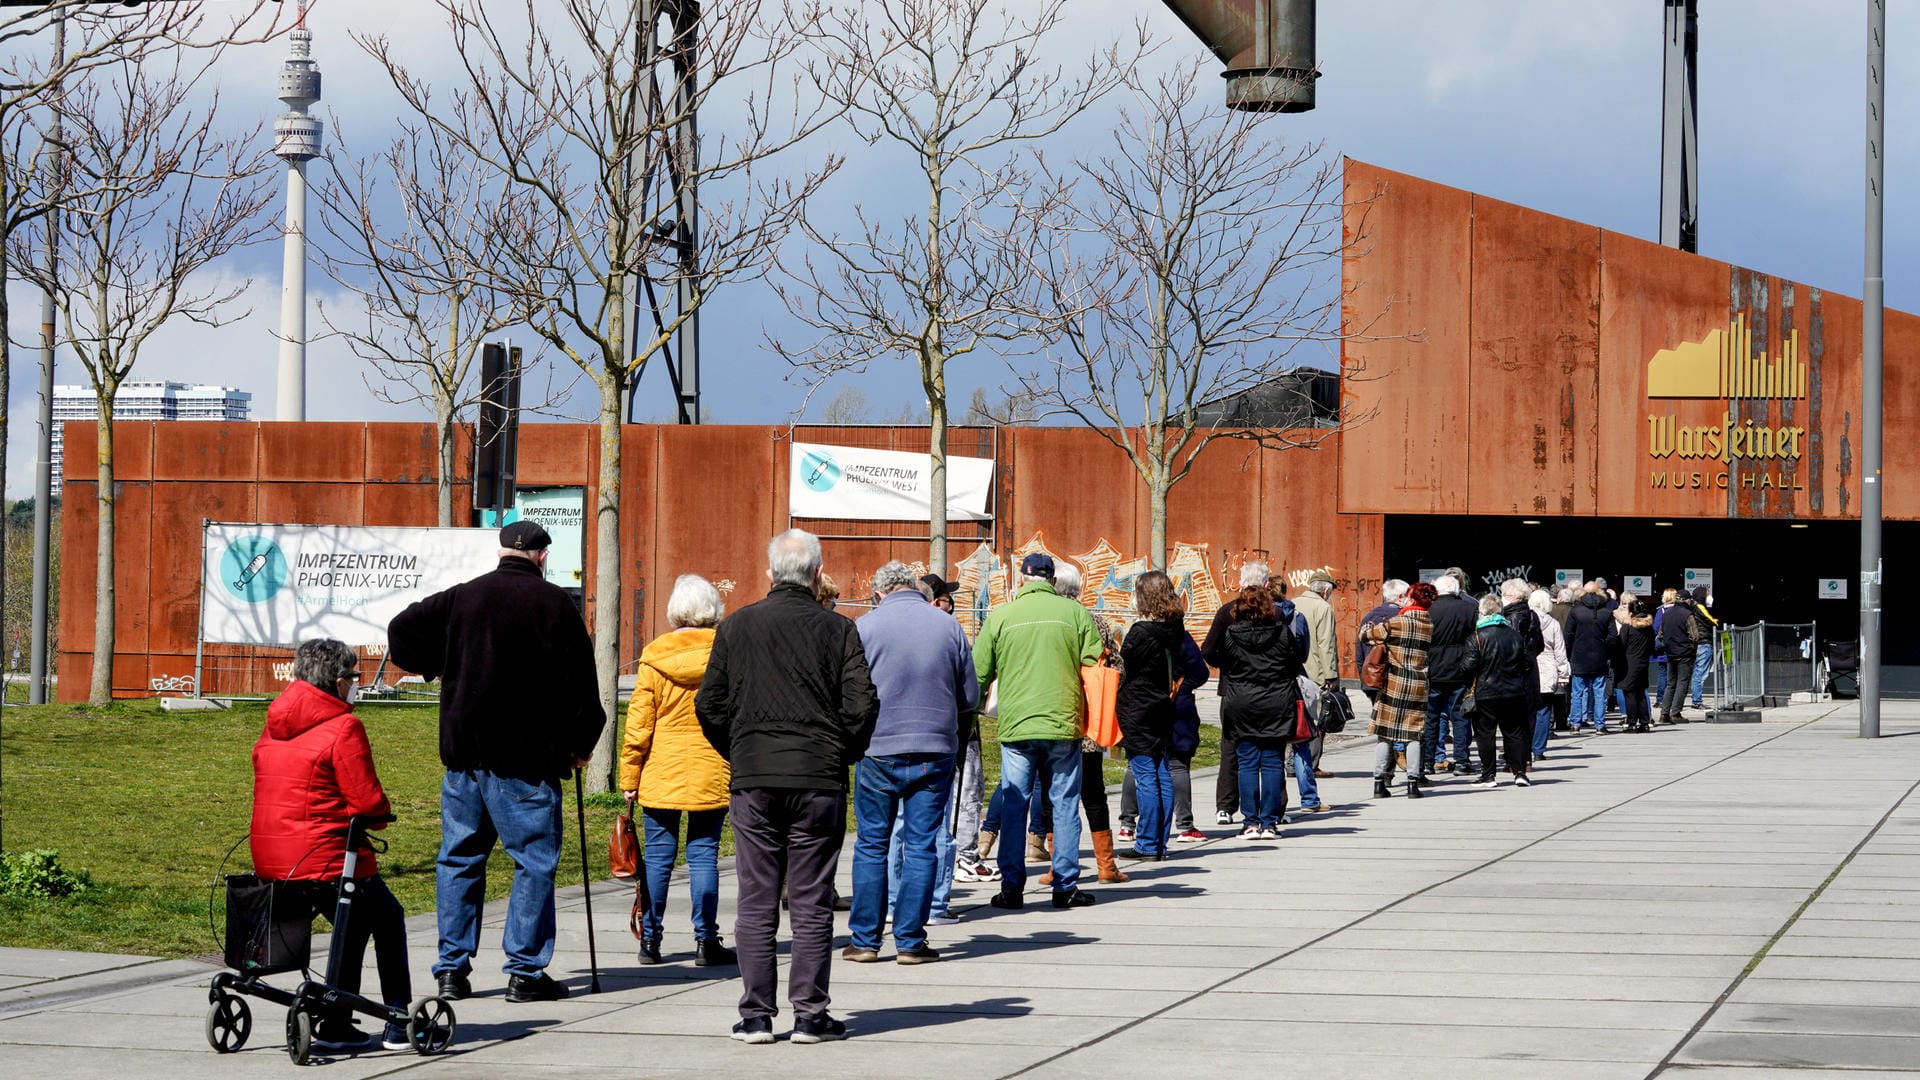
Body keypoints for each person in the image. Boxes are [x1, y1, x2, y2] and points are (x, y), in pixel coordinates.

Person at [387, 521, 604, 1005]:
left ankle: (451, 970)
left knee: (459, 859)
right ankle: (525, 971)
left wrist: (437, 663)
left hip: (465, 756)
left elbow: (401, 629)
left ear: (503, 550)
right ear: (543, 557)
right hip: (526, 761)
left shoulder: (465, 596)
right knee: (532, 861)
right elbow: (581, 686)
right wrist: (580, 742)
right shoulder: (555, 606)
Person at [695, 529, 878, 1045]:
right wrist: (841, 752)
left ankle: (756, 1015)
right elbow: (862, 704)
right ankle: (810, 1014)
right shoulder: (838, 630)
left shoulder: (736, 627)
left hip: (756, 778)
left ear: (770, 575)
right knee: (812, 899)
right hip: (816, 777)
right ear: (818, 575)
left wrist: (741, 749)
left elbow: (710, 705)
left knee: (756, 898)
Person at [250, 638, 412, 1052]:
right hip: (324, 857)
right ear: (340, 683)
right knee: (389, 917)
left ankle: (337, 1021)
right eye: (355, 678)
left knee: (354, 921)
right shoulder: (344, 726)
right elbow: (367, 801)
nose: (355, 685)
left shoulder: (274, 724)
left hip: (272, 859)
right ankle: (398, 1018)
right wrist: (382, 816)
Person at [844, 561, 976, 966]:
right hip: (934, 748)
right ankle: (910, 942)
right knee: (921, 845)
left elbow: (849, 693)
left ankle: (865, 940)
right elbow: (969, 695)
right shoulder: (948, 625)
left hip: (878, 748)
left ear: (879, 593)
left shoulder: (864, 627)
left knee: (871, 844)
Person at [974, 553, 1103, 910]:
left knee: (1015, 803)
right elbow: (1095, 661)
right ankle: (1064, 886)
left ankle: (1012, 887)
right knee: (1063, 804)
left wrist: (969, 710)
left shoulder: (1001, 615)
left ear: (1022, 579)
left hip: (1017, 724)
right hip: (1064, 722)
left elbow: (979, 670)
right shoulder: (1075, 613)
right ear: (1052, 580)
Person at [620, 574, 734, 969]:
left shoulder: (654, 656)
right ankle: (706, 940)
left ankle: (650, 939)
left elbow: (639, 725)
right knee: (704, 854)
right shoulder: (726, 652)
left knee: (658, 855)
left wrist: (629, 778)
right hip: (711, 765)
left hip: (661, 768)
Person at [1053, 563, 1143, 882]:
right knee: (1093, 793)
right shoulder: (1095, 621)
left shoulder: (1050, 618)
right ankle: (1106, 865)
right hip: (1089, 719)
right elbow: (1116, 666)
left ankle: (1057, 865)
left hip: (1052, 718)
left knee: (1056, 792)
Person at [1201, 560, 1307, 823]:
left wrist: (1228, 666)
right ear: (1268, 584)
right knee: (1272, 755)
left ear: (1240, 583)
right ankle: (1274, 810)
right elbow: (1293, 660)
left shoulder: (1227, 614)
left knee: (1234, 751)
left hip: (1236, 690)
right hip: (1275, 693)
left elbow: (1208, 650)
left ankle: (1227, 806)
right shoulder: (1278, 618)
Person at [921, 573, 996, 891]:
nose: (952, 603)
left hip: (928, 730)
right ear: (936, 600)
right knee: (967, 793)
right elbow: (969, 684)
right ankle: (965, 856)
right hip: (959, 729)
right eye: (947, 598)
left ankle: (955, 857)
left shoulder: (916, 632)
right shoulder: (949, 634)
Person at [1115, 570, 1188, 859]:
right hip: (1161, 705)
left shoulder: (1141, 632)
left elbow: (1125, 667)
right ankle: (1159, 841)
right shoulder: (1174, 627)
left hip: (1138, 708)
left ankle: (1146, 842)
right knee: (1161, 773)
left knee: (1146, 775)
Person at [1366, 581, 1435, 798]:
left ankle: (1379, 783)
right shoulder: (1428, 624)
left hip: (1393, 684)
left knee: (1384, 733)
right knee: (1413, 735)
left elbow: (1367, 636)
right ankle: (1413, 784)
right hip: (1417, 685)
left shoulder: (1396, 623)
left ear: (1412, 599)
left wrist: (1370, 630)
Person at [1459, 595, 1536, 786]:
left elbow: (1468, 667)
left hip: (1485, 692)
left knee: (1485, 734)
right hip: (1513, 691)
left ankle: (1488, 775)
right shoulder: (1514, 635)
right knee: (1514, 732)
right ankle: (1519, 772)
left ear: (1482, 612)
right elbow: (1527, 663)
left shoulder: (1476, 636)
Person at [1290, 570, 1340, 801]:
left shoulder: (1293, 603)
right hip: (1316, 672)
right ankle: (1311, 764)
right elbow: (1326, 643)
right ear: (1326, 590)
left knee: (1295, 717)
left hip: (1295, 670)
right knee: (1316, 722)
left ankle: (1291, 761)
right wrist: (1331, 675)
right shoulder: (1323, 608)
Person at [1426, 572, 1479, 774]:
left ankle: (1428, 762)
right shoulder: (1469, 608)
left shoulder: (1429, 609)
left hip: (1433, 667)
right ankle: (1462, 761)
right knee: (1460, 716)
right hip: (1459, 667)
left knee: (1431, 717)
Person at [1562, 581, 1616, 734]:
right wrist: (1606, 650)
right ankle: (1600, 724)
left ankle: (1575, 724)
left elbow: (1568, 635)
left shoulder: (1576, 611)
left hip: (1579, 656)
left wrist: (1568, 654)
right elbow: (1613, 636)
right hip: (1599, 656)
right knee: (1599, 692)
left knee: (1577, 692)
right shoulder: (1606, 611)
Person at [1529, 588, 1570, 761]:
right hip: (1547, 668)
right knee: (1544, 710)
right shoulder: (1552, 623)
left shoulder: (1525, 619)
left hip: (1529, 667)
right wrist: (1563, 673)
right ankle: (1538, 749)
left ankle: (1524, 745)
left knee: (1527, 710)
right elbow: (1560, 651)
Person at [1357, 579, 1410, 704]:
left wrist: (1365, 680)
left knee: (1378, 719)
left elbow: (1360, 653)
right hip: (1398, 682)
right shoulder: (1404, 619)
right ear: (1401, 597)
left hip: (1373, 681)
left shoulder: (1369, 617)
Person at [1661, 588, 1704, 724]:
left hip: (1670, 653)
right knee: (1682, 683)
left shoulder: (1666, 614)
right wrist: (1692, 649)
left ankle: (1664, 713)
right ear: (1686, 600)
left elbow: (1661, 635)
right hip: (1684, 653)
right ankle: (1676, 712)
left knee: (1670, 684)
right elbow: (1695, 636)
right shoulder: (1687, 614)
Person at [1616, 594, 1657, 732]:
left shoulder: (1627, 627)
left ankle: (1632, 722)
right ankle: (1645, 722)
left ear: (1631, 612)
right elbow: (1652, 646)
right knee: (1641, 693)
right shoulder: (1649, 628)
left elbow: (1621, 645)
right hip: (1643, 662)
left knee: (1630, 693)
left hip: (1629, 662)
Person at [1690, 586, 1718, 708]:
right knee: (1700, 673)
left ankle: (1696, 699)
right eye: (1707, 594)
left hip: (1698, 643)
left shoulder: (1693, 606)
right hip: (1704, 642)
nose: (1709, 596)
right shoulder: (1699, 607)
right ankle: (1697, 701)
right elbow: (1711, 621)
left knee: (1697, 672)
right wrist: (1717, 621)